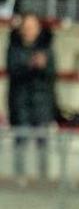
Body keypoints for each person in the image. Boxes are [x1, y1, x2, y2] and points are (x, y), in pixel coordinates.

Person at [6, 14, 56, 180]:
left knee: (43, 142)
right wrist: (30, 65)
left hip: (41, 102)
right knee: (21, 139)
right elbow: (13, 71)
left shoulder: (47, 48)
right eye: (26, 27)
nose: (29, 31)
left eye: (32, 27)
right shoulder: (14, 48)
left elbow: (51, 75)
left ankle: (43, 177)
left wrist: (42, 66)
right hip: (21, 102)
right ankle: (19, 176)